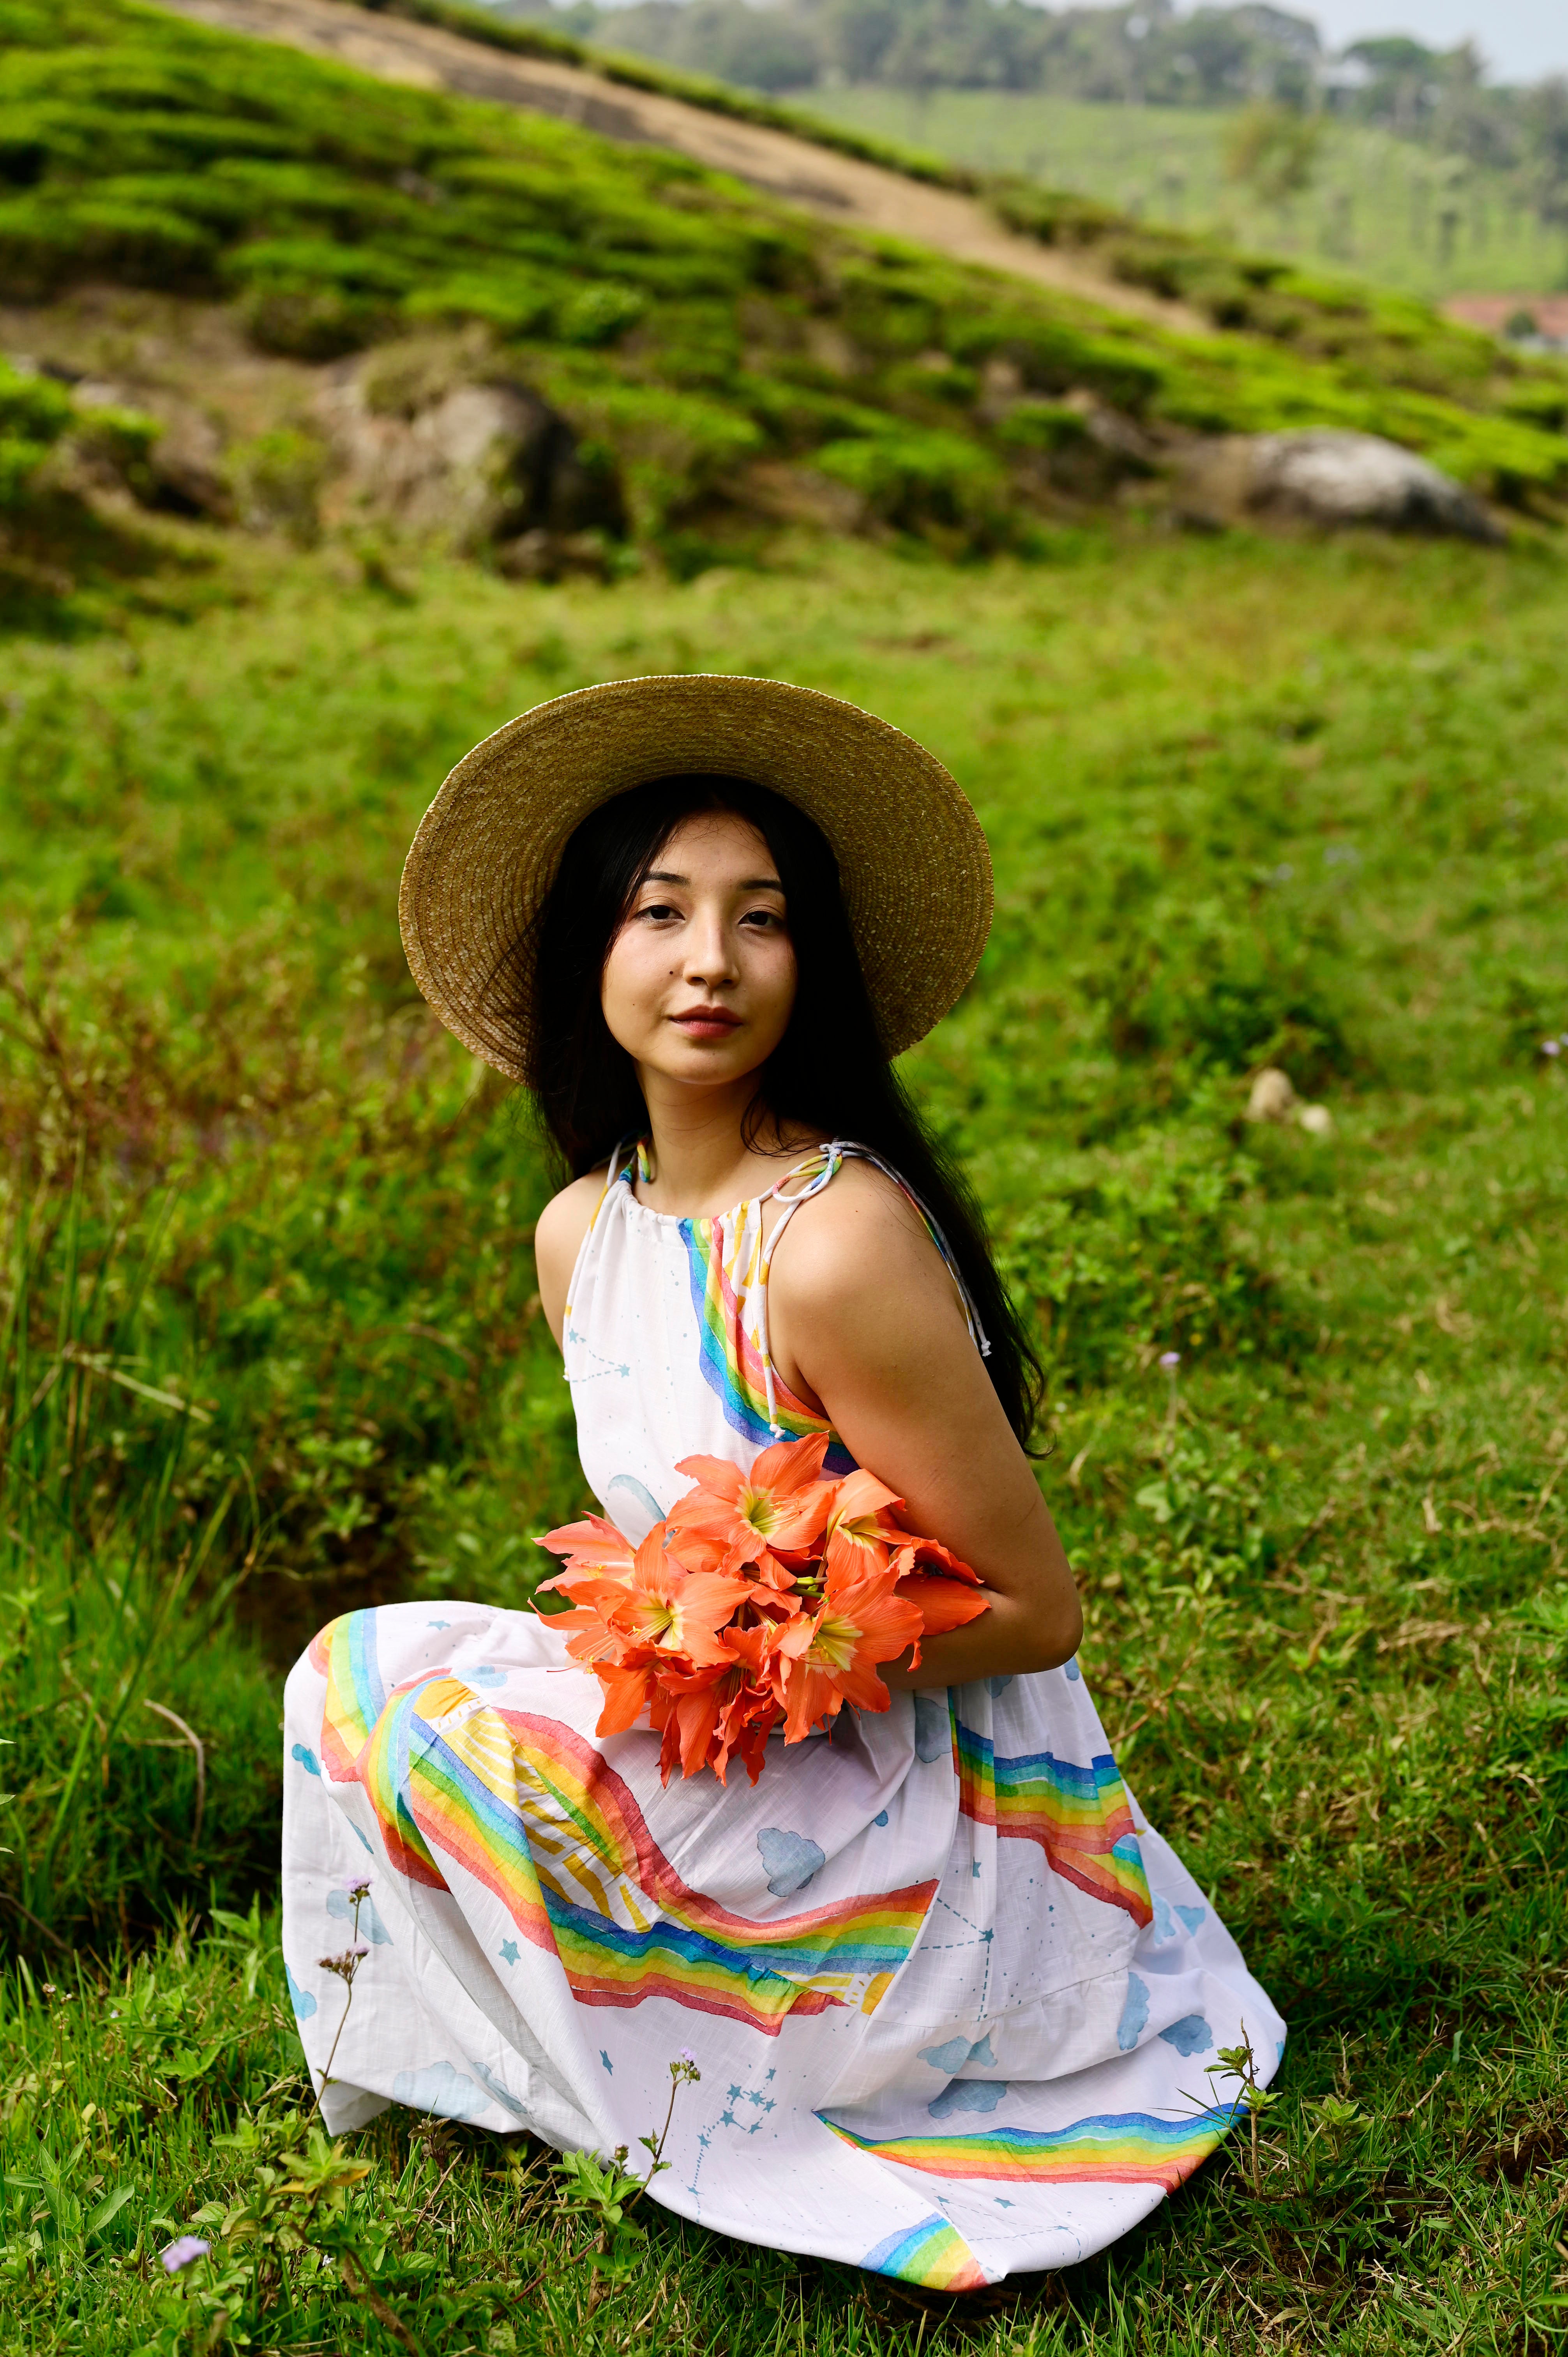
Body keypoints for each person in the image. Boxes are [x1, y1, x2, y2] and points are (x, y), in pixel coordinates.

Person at [282, 674, 1283, 2292]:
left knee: (505, 1769)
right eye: (660, 913)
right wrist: (667, 1651)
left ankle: (738, 2051)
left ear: (805, 964)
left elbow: (1033, 1612)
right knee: (357, 1679)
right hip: (720, 1721)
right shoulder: (580, 1233)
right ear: (587, 952)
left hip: (884, 1774)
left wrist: (758, 1661)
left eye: (760, 920)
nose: (708, 964)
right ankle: (547, 2050)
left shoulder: (830, 1243)